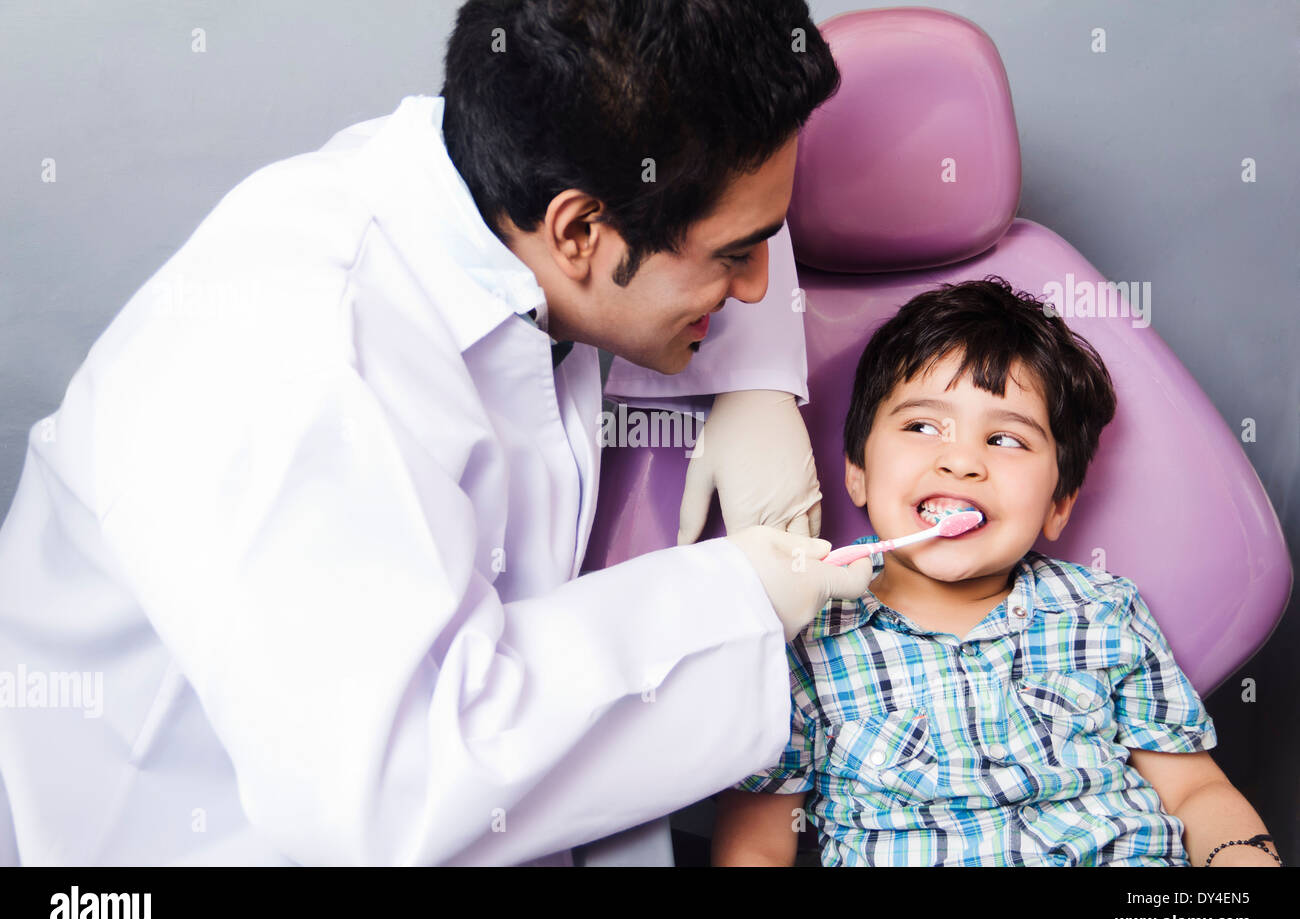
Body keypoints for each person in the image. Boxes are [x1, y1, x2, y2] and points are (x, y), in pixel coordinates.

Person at [0, 0, 877, 866]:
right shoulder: (298, 365)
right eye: (736, 255)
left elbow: (695, 185)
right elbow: (393, 797)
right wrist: (736, 598)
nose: (759, 286)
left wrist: (754, 375)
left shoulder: (497, 184)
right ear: (577, 231)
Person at [711, 277, 1281, 867]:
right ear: (857, 471)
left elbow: (1194, 789)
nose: (961, 460)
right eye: (922, 426)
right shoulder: (806, 632)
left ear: (1059, 503)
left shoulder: (1106, 610)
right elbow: (758, 840)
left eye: (1005, 438)